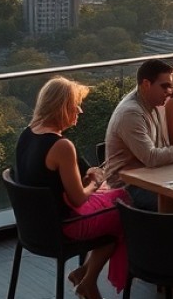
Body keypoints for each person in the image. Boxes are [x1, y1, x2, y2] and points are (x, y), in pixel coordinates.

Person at [15, 77, 126, 299]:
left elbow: (47, 180)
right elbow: (78, 200)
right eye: (76, 104)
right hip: (63, 227)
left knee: (117, 205)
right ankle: (89, 281)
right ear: (63, 106)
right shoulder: (62, 146)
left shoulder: (27, 134)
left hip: (34, 227)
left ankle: (84, 273)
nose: (80, 110)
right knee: (125, 213)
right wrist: (95, 181)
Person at [102, 59, 173, 211]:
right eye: (164, 86)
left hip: (150, 176)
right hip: (128, 186)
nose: (169, 91)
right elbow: (152, 158)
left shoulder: (152, 102)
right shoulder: (131, 113)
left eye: (170, 86)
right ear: (146, 84)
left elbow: (162, 148)